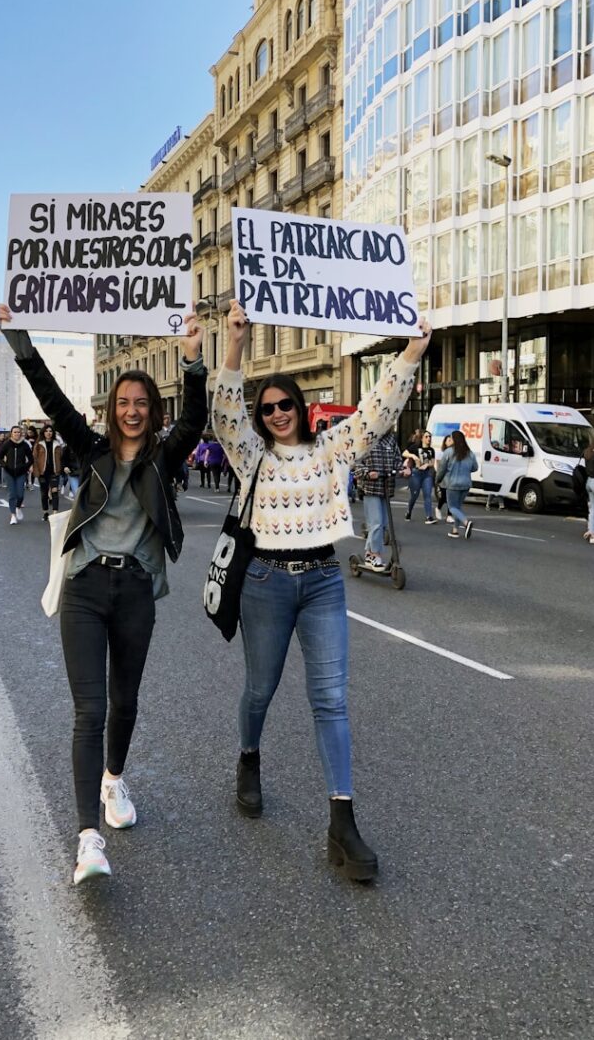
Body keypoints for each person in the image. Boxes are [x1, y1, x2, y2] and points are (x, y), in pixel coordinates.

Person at [212, 299, 431, 882]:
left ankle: (342, 821)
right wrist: (235, 344)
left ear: (300, 408)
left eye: (285, 405)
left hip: (323, 583)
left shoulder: (331, 450)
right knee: (259, 689)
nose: (277, 414)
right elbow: (225, 415)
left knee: (331, 700)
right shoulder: (251, 456)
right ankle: (249, 757)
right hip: (264, 582)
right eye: (267, 408)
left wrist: (412, 350)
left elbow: (377, 412)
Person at [0, 302, 207, 886]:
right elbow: (52, 399)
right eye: (123, 403)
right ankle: (88, 837)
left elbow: (194, 419)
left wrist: (193, 360)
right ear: (111, 410)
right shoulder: (92, 451)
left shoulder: (164, 458)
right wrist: (19, 338)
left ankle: (114, 779)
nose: (131, 411)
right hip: (85, 588)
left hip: (135, 589)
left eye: (141, 403)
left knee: (125, 700)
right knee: (89, 710)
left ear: (152, 411)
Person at [354, 429, 407, 571]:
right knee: (376, 523)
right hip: (370, 487)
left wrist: (403, 469)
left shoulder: (391, 440)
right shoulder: (366, 438)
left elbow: (397, 460)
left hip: (386, 487)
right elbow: (356, 463)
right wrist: (367, 473)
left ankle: (369, 553)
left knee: (382, 524)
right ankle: (375, 555)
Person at [435, 430, 479, 539]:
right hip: (466, 484)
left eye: (451, 438)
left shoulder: (448, 452)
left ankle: (466, 522)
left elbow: (442, 469)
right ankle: (455, 530)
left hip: (452, 483)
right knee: (458, 507)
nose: (450, 440)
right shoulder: (470, 453)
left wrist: (437, 480)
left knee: (452, 507)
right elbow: (475, 467)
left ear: (454, 440)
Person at [0, 424, 33, 525]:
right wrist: (5, 465)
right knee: (12, 494)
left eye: (18, 432)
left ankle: (18, 507)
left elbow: (31, 459)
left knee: (20, 494)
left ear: (21, 433)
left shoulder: (24, 445)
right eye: (15, 432)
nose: (17, 434)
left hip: (21, 473)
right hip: (9, 472)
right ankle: (13, 515)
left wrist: (25, 467)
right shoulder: (7, 444)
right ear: (11, 434)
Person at [403, 429, 437, 524]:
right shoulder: (415, 447)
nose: (428, 439)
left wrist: (427, 465)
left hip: (427, 474)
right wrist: (413, 456)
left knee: (427, 494)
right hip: (416, 473)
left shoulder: (431, 450)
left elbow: (432, 462)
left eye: (430, 437)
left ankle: (429, 516)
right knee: (414, 495)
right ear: (422, 438)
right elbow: (404, 453)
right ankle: (409, 511)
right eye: (426, 437)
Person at [34, 422, 62, 520]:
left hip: (54, 472)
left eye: (50, 431)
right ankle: (45, 512)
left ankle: (55, 513)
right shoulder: (39, 444)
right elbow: (35, 458)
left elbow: (61, 457)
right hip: (43, 472)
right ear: (43, 433)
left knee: (54, 492)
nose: (48, 433)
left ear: (53, 433)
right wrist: (36, 471)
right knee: (44, 493)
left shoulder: (57, 444)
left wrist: (60, 469)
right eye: (46, 431)